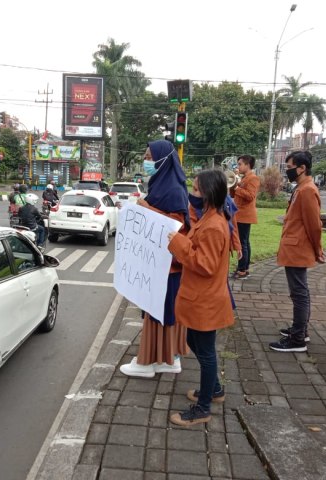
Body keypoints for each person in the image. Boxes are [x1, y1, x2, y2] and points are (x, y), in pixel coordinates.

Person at [167, 169, 235, 426]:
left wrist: (179, 244)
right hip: (200, 298)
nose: (192, 194)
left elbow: (204, 265)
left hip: (206, 301)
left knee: (206, 354)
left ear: (208, 194)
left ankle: (203, 407)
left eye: (196, 190)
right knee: (193, 342)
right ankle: (214, 390)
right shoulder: (209, 217)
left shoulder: (215, 225)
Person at [119, 139, 190, 378]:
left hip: (168, 266)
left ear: (163, 159)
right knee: (160, 311)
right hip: (159, 265)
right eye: (145, 155)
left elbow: (177, 227)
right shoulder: (163, 184)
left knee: (159, 312)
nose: (146, 160)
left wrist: (145, 208)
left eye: (150, 157)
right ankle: (167, 359)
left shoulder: (174, 190)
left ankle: (149, 362)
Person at [269, 150, 326, 353]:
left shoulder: (307, 190)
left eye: (291, 168)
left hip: (298, 248)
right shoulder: (301, 188)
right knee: (298, 292)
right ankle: (299, 329)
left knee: (300, 293)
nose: (288, 171)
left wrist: (318, 249)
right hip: (294, 247)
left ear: (302, 168)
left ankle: (298, 339)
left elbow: (314, 225)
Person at [231, 154, 260, 279]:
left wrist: (237, 187)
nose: (238, 166)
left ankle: (242, 269)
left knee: (242, 243)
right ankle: (244, 267)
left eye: (240, 164)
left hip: (244, 215)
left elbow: (250, 196)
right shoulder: (243, 178)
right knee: (244, 242)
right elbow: (235, 195)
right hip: (240, 214)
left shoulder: (252, 178)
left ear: (247, 165)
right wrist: (233, 185)